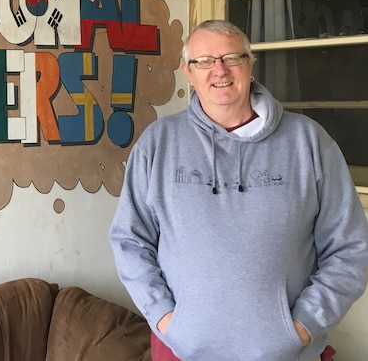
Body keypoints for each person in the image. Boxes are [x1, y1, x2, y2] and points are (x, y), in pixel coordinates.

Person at [109, 19, 368, 361]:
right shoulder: (157, 143)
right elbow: (130, 241)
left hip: (290, 354)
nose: (219, 70)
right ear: (188, 71)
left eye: (232, 57)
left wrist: (303, 325)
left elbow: (351, 249)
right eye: (204, 60)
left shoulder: (309, 142)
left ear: (250, 64)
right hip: (181, 351)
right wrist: (167, 319)